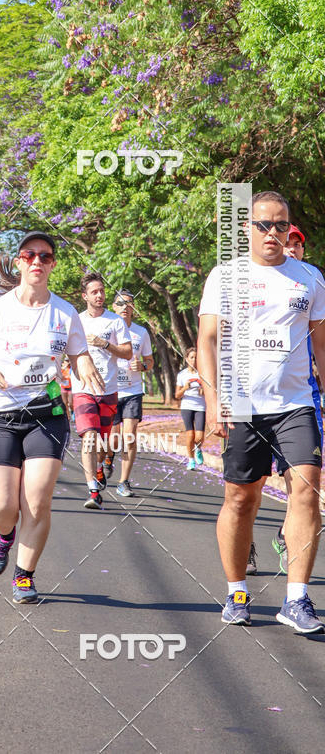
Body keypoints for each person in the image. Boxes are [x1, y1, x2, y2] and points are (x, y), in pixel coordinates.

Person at [198, 191, 325, 633]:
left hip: (296, 404)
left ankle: (297, 599)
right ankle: (236, 591)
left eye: (280, 225)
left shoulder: (309, 278)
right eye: (263, 225)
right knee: (241, 498)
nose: (273, 233)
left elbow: (322, 348)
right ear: (247, 229)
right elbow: (207, 341)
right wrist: (214, 401)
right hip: (243, 405)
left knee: (307, 493)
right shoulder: (225, 276)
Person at [0, 231, 103, 603]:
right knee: (1, 509)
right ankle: (4, 535)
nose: (37, 262)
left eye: (45, 256)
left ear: (53, 263)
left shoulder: (65, 312)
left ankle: (24, 576)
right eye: (30, 255)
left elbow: (78, 354)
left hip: (48, 414)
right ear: (19, 262)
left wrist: (85, 362)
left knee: (38, 502)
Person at [269, 224, 324, 573]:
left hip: (302, 400)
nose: (291, 249)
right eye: (286, 244)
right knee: (249, 487)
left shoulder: (311, 285)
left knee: (302, 482)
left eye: (297, 245)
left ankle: (286, 536)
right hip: (256, 404)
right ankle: (250, 541)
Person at [71, 273, 132, 509]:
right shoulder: (75, 320)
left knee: (103, 443)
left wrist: (104, 343)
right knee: (89, 437)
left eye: (102, 291)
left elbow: (127, 353)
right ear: (85, 296)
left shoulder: (115, 321)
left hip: (108, 389)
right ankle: (93, 491)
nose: (100, 295)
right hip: (82, 388)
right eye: (94, 292)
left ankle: (99, 468)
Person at [106, 290, 153, 496]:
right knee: (114, 439)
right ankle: (108, 457)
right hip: (111, 389)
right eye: (120, 303)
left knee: (130, 436)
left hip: (133, 391)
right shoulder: (106, 329)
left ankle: (123, 481)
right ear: (113, 307)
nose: (125, 306)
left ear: (133, 308)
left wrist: (142, 365)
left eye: (129, 303)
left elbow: (150, 361)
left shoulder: (141, 332)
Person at [174, 347, 206, 471]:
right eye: (191, 357)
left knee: (199, 436)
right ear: (187, 359)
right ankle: (191, 460)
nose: (194, 360)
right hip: (187, 406)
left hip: (200, 406)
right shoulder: (182, 375)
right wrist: (185, 388)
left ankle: (198, 448)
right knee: (190, 434)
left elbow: (210, 392)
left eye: (196, 358)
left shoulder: (203, 374)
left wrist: (203, 391)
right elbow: (177, 395)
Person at [60, 357, 74, 422]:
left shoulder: (71, 368)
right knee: (65, 403)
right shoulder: (61, 368)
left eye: (68, 361)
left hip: (70, 388)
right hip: (63, 387)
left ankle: (73, 412)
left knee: (71, 403)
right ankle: (68, 417)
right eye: (66, 361)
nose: (67, 362)